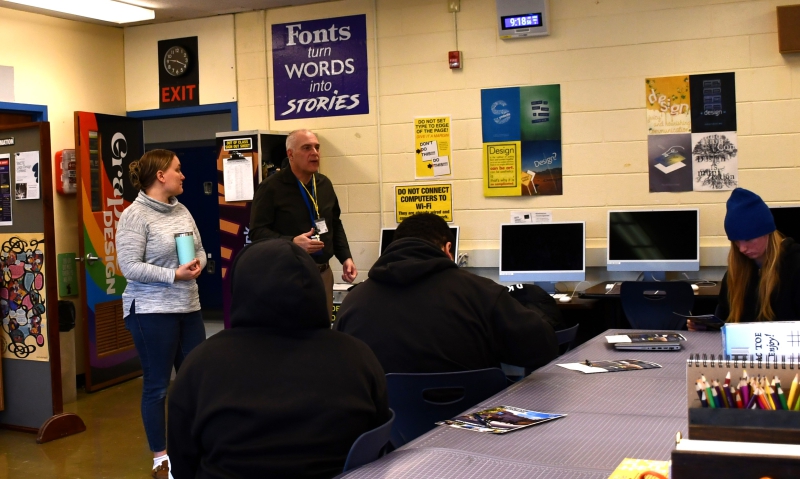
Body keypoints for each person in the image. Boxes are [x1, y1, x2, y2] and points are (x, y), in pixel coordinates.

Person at [167, 239, 390, 479]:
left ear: (240, 289)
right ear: (314, 286)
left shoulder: (200, 365)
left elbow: (182, 463)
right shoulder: (358, 357)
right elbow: (378, 446)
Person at [334, 213, 559, 374]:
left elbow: (342, 370)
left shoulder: (353, 302)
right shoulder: (481, 292)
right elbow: (542, 349)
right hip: (470, 419)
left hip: (387, 423)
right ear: (448, 249)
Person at [116, 149, 207, 479]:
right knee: (157, 387)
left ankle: (194, 449)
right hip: (151, 311)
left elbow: (199, 250)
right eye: (178, 170)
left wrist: (198, 265)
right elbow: (129, 266)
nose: (183, 175)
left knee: (195, 383)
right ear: (160, 176)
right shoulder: (134, 215)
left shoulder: (181, 209)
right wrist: (173, 275)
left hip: (188, 307)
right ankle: (161, 460)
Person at [249, 129, 357, 314]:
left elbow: (334, 223)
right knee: (292, 329)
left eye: (317, 147)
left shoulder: (324, 184)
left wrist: (345, 257)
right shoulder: (270, 188)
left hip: (322, 273)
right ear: (290, 154)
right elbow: (257, 232)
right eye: (307, 148)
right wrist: (291, 242)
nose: (314, 153)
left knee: (321, 328)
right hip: (288, 275)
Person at [690, 188, 800, 330]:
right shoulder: (735, 273)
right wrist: (708, 327)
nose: (742, 249)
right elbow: (725, 321)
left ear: (767, 232)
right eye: (736, 241)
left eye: (748, 239)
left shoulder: (795, 266)